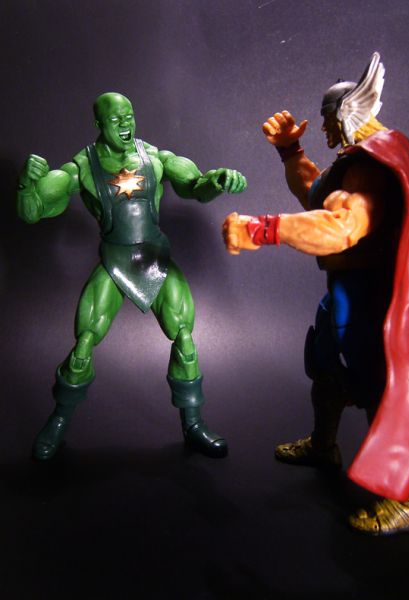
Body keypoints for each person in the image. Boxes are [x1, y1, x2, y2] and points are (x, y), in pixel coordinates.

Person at [223, 53, 409, 534]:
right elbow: (316, 194)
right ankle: (324, 445)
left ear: (347, 113)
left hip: (370, 299)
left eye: (327, 118)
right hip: (342, 293)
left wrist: (262, 229)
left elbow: (340, 228)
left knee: (378, 387)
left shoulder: (373, 166)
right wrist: (290, 153)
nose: (324, 128)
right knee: (327, 369)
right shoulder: (354, 159)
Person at [18, 92, 247, 460]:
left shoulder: (155, 157)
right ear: (98, 124)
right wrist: (27, 186)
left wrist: (217, 181)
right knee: (83, 345)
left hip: (154, 257)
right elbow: (34, 210)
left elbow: (195, 186)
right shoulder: (82, 167)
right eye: (115, 119)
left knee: (185, 339)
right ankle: (57, 422)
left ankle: (193, 424)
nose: (125, 124)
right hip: (114, 261)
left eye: (129, 116)